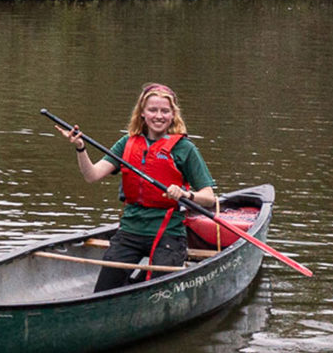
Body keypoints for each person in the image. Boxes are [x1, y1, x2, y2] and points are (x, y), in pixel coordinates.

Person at [59, 83, 218, 292]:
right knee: (103, 291)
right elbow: (92, 175)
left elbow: (209, 197)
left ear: (173, 115)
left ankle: (140, 283)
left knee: (157, 291)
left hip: (168, 234)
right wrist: (81, 148)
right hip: (130, 231)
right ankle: (133, 285)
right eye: (153, 110)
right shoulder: (127, 143)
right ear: (142, 113)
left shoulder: (185, 149)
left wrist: (185, 194)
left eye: (165, 111)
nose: (159, 116)